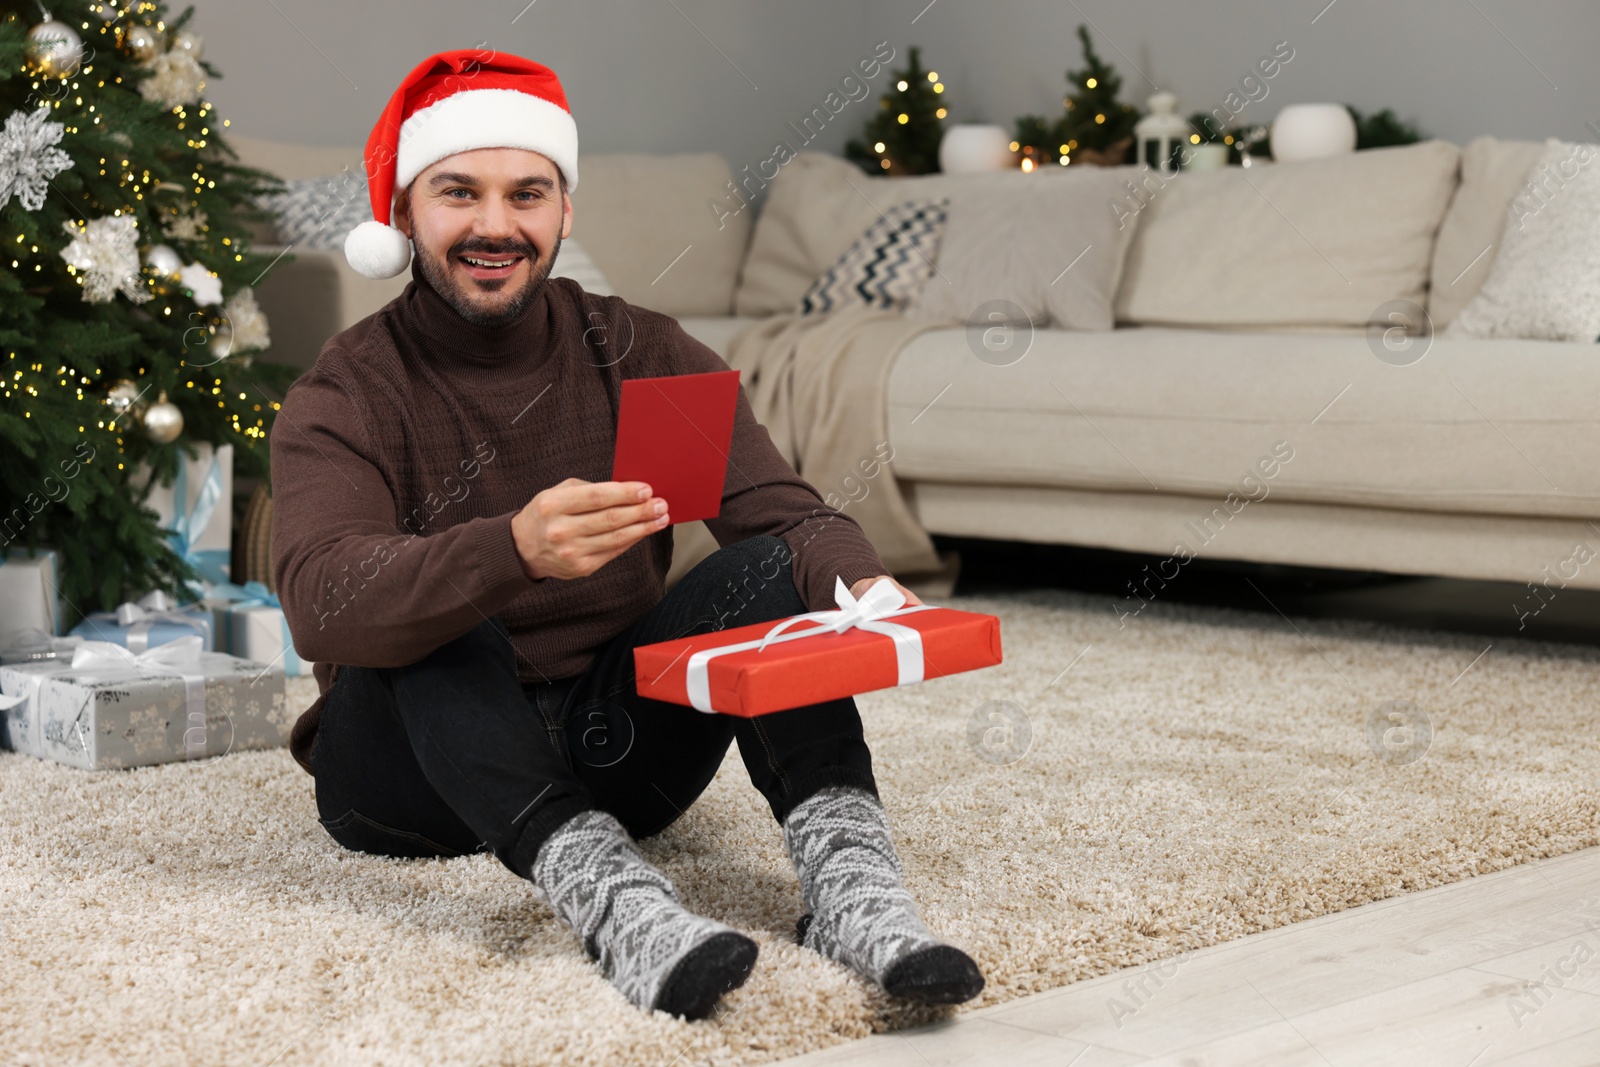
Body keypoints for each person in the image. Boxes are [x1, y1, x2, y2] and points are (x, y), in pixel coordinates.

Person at [271, 49, 983, 1021]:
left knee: (765, 569)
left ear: (566, 211)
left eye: (528, 193)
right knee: (446, 604)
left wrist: (862, 587)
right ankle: (616, 902)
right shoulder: (346, 389)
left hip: (618, 755)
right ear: (402, 214)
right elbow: (322, 599)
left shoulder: (637, 348)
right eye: (457, 194)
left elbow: (783, 514)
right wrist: (509, 550)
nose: (494, 224)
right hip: (407, 782)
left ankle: (852, 889)